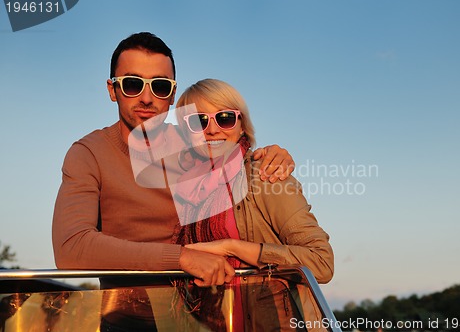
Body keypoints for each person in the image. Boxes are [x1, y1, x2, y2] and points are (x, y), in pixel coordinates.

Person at [51, 32, 296, 331]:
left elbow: (233, 149)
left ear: (171, 93)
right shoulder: (88, 153)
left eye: (160, 86)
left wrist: (270, 154)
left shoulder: (194, 141)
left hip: (208, 315)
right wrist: (181, 258)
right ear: (112, 90)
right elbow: (71, 248)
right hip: (128, 320)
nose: (146, 97)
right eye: (131, 83)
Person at [169, 78, 334, 331]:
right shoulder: (182, 190)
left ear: (242, 126)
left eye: (224, 118)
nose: (211, 130)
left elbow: (321, 262)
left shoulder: (265, 175)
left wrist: (232, 247)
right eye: (198, 121)